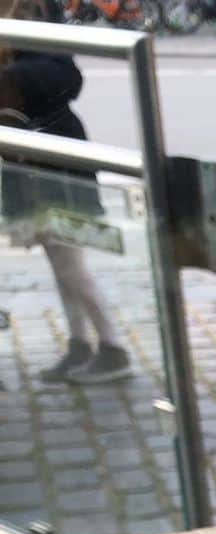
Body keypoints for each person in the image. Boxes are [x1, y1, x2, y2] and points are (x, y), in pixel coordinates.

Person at [0, 0, 132, 383]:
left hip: (54, 154)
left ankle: (113, 347)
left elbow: (66, 77)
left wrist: (10, 77)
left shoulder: (37, 9)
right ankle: (79, 345)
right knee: (59, 259)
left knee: (68, 260)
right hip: (27, 158)